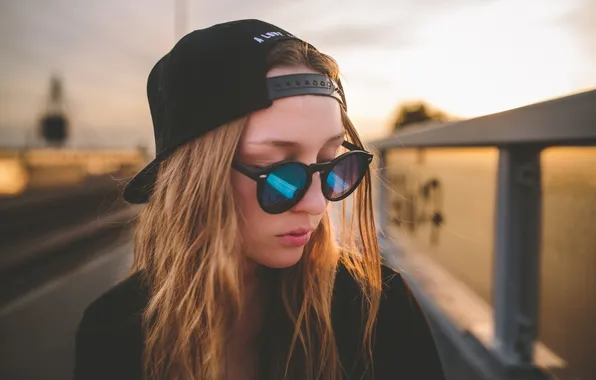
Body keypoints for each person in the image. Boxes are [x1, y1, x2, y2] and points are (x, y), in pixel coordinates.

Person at [74, 19, 445, 380]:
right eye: (280, 174)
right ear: (195, 181)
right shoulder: (113, 334)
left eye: (332, 164)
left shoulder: (378, 310)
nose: (317, 205)